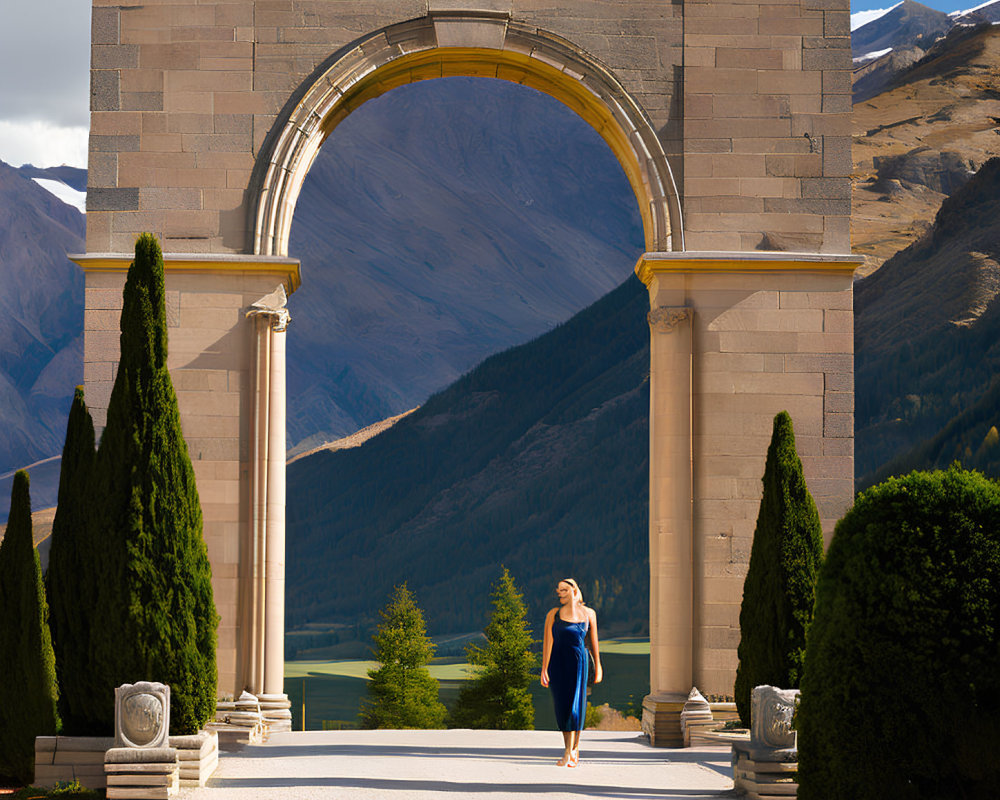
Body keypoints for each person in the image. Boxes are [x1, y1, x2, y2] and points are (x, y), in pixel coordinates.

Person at [540, 577, 603, 767]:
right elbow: (547, 642)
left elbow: (594, 643)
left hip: (579, 662)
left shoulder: (588, 614)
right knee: (562, 705)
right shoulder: (553, 614)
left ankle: (573, 751)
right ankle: (568, 750)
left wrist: (598, 666)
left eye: (564, 590)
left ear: (574, 591)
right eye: (559, 590)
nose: (560, 593)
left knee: (577, 705)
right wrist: (544, 668)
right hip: (557, 663)